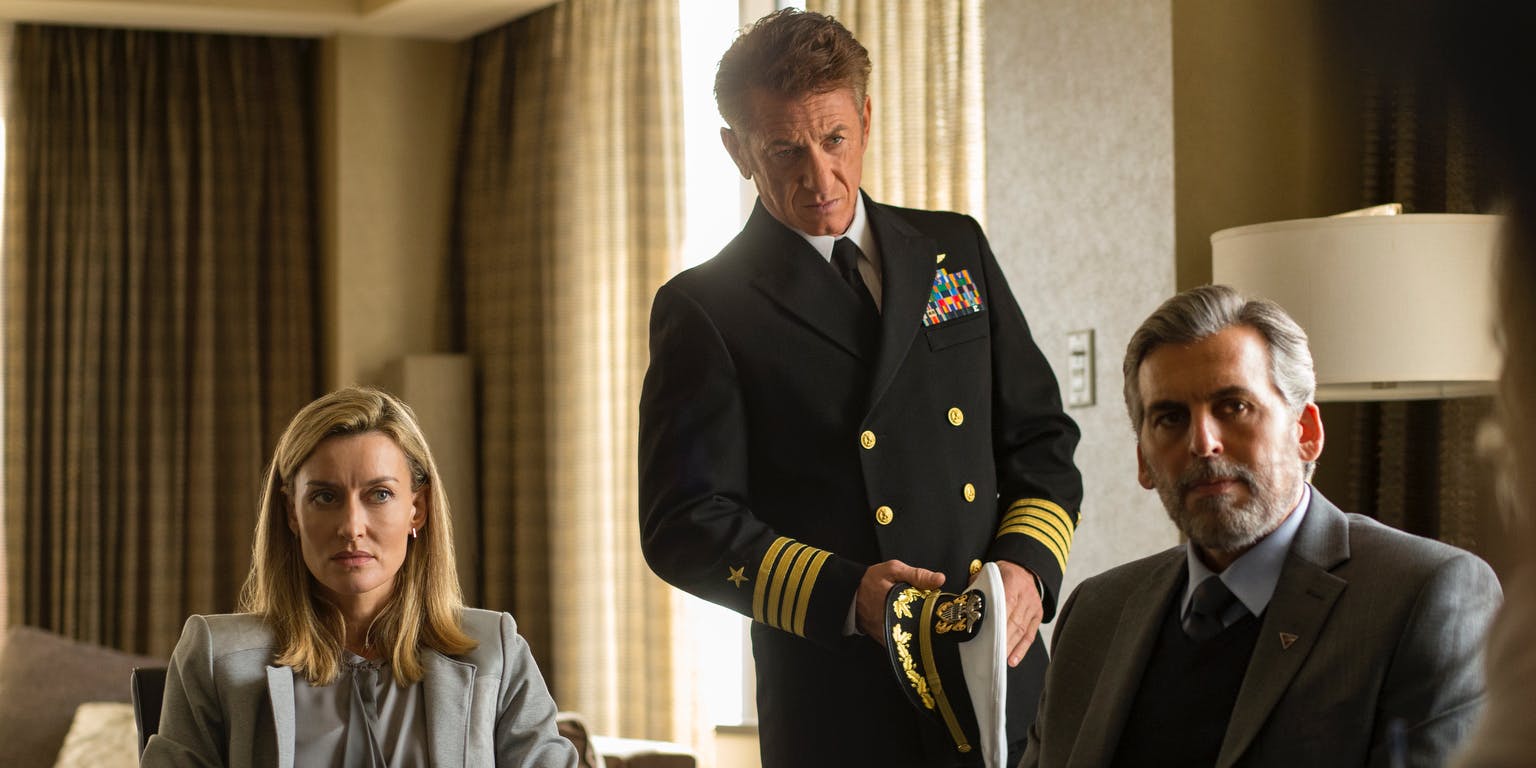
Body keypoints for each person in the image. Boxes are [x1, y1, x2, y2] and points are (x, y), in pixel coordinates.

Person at [637, 9, 1081, 767]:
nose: (819, 177)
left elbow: (1040, 438)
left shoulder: (954, 248)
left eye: (835, 139)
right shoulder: (706, 306)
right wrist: (846, 596)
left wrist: (1028, 570)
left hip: (1002, 675)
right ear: (737, 150)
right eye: (785, 149)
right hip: (839, 702)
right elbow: (684, 522)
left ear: (867, 121)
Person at [1020, 285, 1502, 767]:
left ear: (1306, 432)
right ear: (1143, 461)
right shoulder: (1095, 614)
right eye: (1170, 418)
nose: (1203, 442)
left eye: (1234, 407)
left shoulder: (1425, 597)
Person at [141, 387, 578, 767]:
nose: (351, 526)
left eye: (379, 494)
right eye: (325, 497)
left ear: (417, 509)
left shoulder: (496, 653)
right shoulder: (215, 657)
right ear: (292, 513)